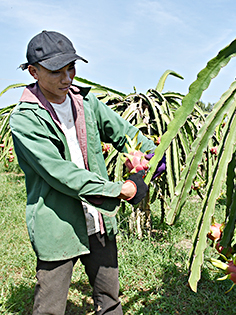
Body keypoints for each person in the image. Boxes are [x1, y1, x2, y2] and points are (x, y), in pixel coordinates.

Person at [10, 30, 160, 314]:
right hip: (58, 223)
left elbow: (124, 132)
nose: (67, 78)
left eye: (71, 68)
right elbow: (59, 172)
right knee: (50, 308)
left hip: (98, 218)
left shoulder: (86, 103)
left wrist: (152, 154)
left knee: (109, 298)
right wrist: (120, 189)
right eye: (57, 71)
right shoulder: (25, 120)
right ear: (34, 71)